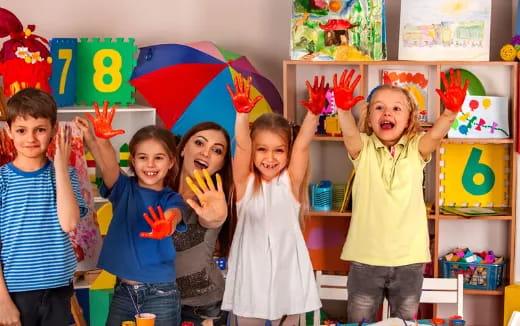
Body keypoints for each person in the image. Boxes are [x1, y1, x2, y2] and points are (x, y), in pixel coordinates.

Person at [333, 68, 468, 322]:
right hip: (365, 258)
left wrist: (450, 113)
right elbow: (349, 134)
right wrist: (342, 111)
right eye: (379, 108)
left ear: (408, 119)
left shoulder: (416, 148)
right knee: (358, 322)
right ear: (370, 118)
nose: (387, 113)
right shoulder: (363, 148)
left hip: (410, 260)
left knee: (404, 322)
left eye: (396, 109)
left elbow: (435, 135)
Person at [75, 102, 193, 326]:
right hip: (124, 292)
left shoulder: (171, 198)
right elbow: (109, 167)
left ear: (171, 162)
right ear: (133, 161)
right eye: (142, 157)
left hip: (162, 294)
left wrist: (166, 224)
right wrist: (101, 140)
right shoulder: (123, 189)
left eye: (158, 157)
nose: (150, 164)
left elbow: (175, 213)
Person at [222, 74, 322, 325]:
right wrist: (242, 115)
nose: (270, 157)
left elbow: (302, 146)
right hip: (251, 272)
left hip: (288, 269)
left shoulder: (291, 183)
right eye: (262, 149)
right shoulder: (245, 184)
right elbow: (243, 147)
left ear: (287, 153)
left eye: (279, 150)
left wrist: (313, 116)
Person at [0, 88, 88, 326]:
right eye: (21, 130)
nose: (30, 138)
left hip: (58, 287)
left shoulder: (66, 175)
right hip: (15, 291)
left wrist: (59, 165)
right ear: (9, 131)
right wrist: (2, 301)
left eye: (39, 129)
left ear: (54, 131)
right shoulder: (2, 180)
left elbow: (68, 222)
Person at [173, 122, 236, 326]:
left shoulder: (215, 201)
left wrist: (215, 216)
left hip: (203, 308)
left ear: (221, 164)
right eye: (199, 143)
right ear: (183, 149)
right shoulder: (158, 189)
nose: (206, 152)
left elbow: (211, 218)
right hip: (157, 301)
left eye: (217, 150)